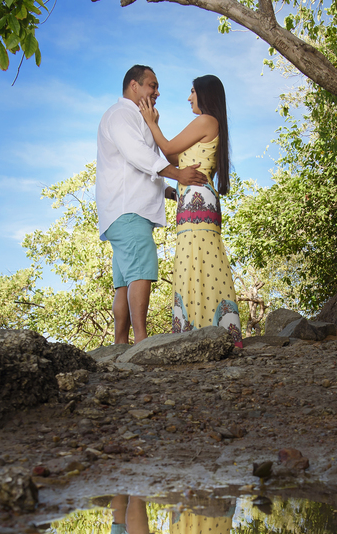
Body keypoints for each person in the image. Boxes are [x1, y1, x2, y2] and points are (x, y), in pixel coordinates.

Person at [97, 65, 206, 345]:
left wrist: (168, 189)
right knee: (142, 271)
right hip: (129, 211)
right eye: (152, 86)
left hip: (123, 213)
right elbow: (138, 155)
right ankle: (142, 343)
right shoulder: (121, 114)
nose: (157, 92)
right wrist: (178, 173)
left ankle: (120, 346)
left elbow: (140, 167)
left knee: (124, 282)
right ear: (134, 85)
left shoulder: (135, 117)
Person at [138, 75, 242, 345]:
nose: (189, 97)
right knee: (196, 262)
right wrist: (155, 127)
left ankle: (204, 332)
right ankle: (204, 331)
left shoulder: (206, 120)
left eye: (193, 91)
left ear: (205, 95)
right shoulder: (208, 124)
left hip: (196, 201)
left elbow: (169, 147)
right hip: (193, 200)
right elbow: (174, 156)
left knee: (199, 262)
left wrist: (151, 123)